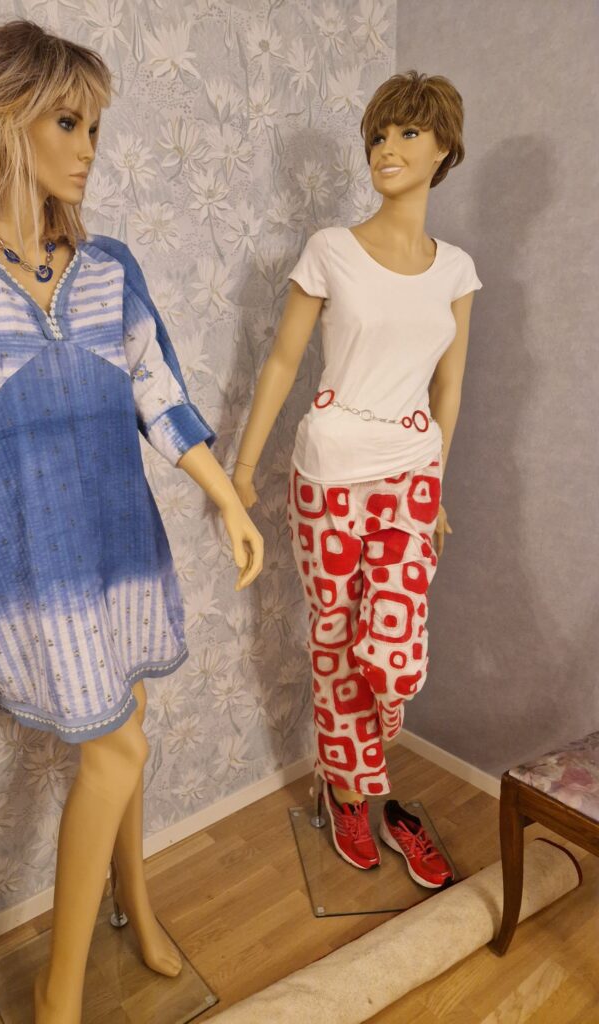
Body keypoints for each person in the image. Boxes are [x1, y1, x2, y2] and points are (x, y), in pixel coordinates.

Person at [0, 19, 263, 1024]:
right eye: (68, 121)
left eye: (95, 126)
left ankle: (136, 900)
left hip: (123, 544)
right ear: (7, 118)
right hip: (35, 563)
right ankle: (58, 997)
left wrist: (225, 496)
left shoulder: (109, 265)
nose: (89, 147)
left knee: (128, 724)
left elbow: (159, 393)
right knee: (117, 748)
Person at [233, 70, 482, 890]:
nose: (386, 148)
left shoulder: (456, 271)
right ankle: (352, 795)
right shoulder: (330, 251)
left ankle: (355, 773)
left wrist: (437, 488)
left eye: (407, 133)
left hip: (411, 475)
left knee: (392, 654)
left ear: (444, 149)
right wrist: (242, 468)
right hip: (329, 476)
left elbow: (449, 388)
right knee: (337, 645)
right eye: (378, 134)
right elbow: (281, 362)